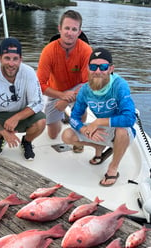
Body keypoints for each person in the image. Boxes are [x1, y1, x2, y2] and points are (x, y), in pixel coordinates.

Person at [61, 47, 136, 186]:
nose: (98, 71)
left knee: (122, 130)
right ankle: (98, 147)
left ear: (110, 68)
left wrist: (98, 122)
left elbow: (130, 118)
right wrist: (83, 129)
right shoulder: (85, 90)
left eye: (103, 67)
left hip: (119, 129)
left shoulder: (120, 85)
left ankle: (113, 168)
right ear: (88, 69)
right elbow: (74, 117)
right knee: (67, 136)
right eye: (93, 67)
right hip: (101, 128)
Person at [0, 37, 46, 160]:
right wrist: (4, 132)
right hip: (0, 114)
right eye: (7, 58)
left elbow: (38, 102)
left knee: (41, 122)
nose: (11, 64)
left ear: (20, 59)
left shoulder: (29, 72)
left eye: (15, 59)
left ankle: (26, 142)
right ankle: (0, 138)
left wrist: (16, 118)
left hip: (22, 113)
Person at [37, 10, 92, 150]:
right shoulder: (48, 51)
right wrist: (61, 96)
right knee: (53, 135)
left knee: (81, 103)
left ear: (79, 32)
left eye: (74, 29)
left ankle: (78, 133)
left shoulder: (86, 50)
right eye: (67, 28)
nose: (70, 32)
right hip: (55, 91)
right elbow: (40, 85)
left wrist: (67, 100)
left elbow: (89, 83)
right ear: (59, 29)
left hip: (78, 89)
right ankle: (63, 117)